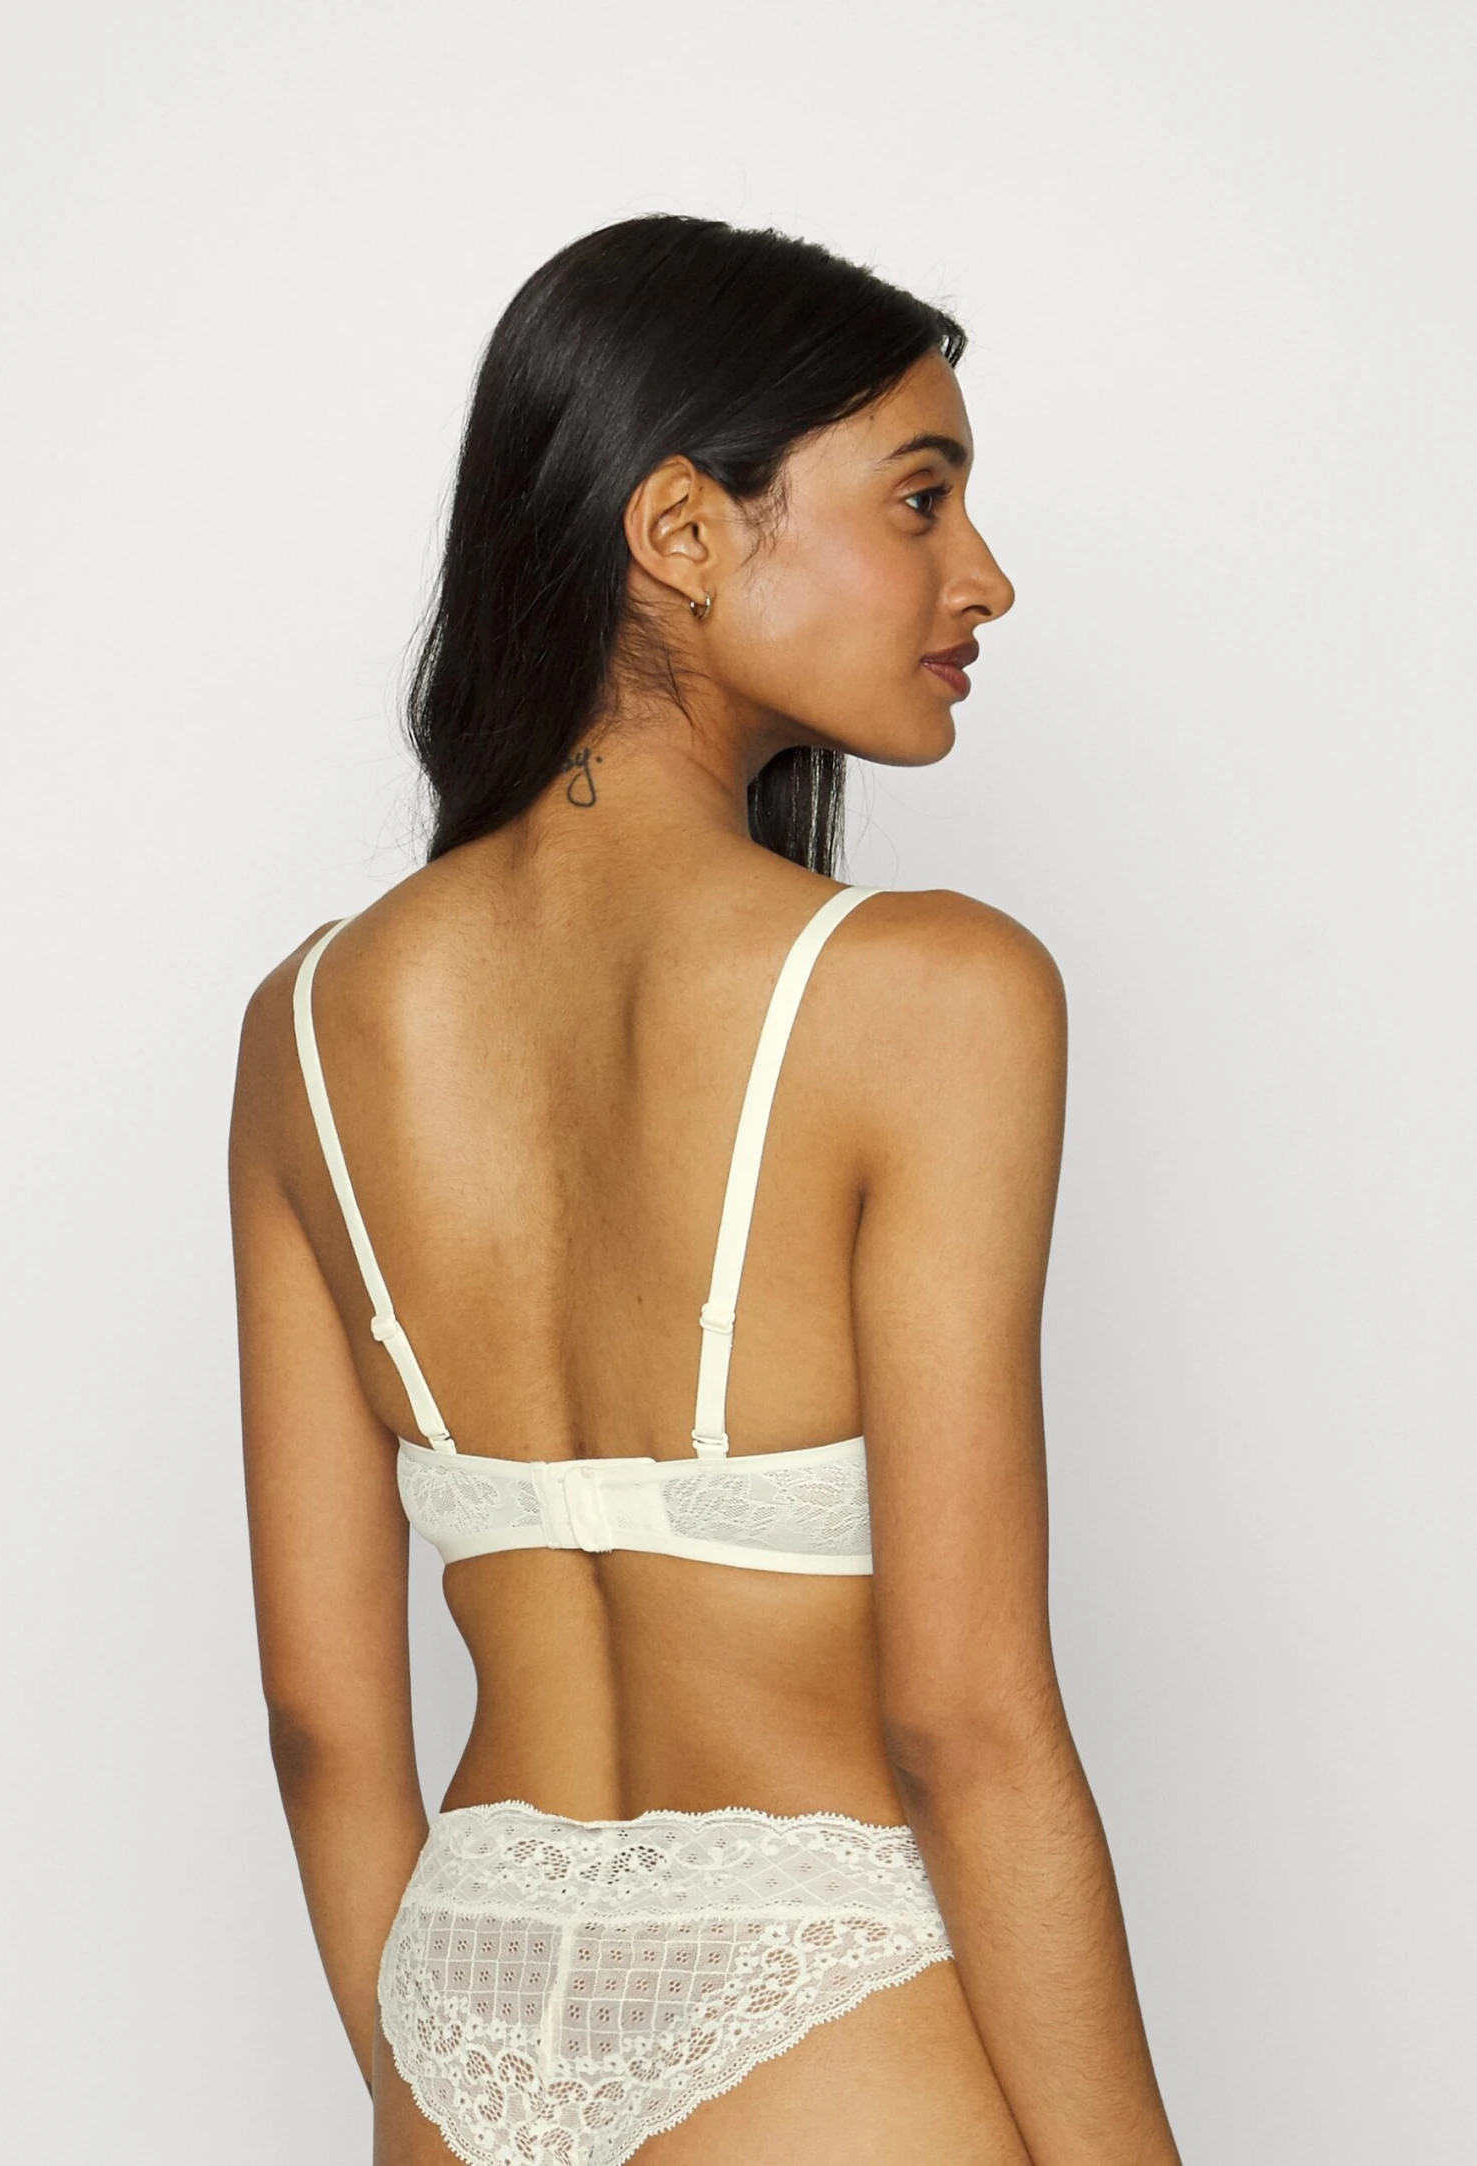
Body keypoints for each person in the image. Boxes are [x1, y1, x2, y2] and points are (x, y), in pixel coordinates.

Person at [230, 214, 1183, 2166]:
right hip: (828, 2021)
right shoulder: (932, 993)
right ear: (679, 530)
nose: (983, 575)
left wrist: (427, 2087)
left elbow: (323, 1726)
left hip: (468, 2016)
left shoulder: (311, 1024)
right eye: (919, 497)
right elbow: (966, 1723)